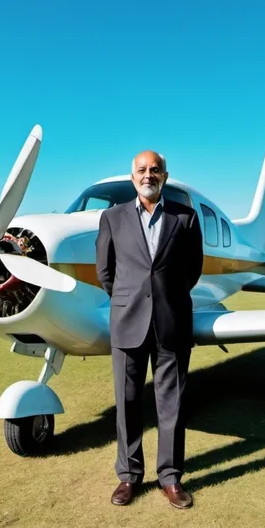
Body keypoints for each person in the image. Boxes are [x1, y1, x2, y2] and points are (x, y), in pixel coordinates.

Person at [96, 150, 203, 509]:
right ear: (133, 178)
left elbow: (192, 271)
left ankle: (171, 478)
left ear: (165, 176)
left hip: (171, 321)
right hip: (128, 322)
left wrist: (164, 299)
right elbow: (106, 273)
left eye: (155, 170)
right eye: (142, 170)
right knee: (126, 403)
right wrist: (131, 301)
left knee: (171, 403)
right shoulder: (112, 218)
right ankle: (128, 476)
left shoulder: (185, 218)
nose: (148, 175)